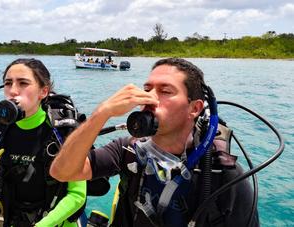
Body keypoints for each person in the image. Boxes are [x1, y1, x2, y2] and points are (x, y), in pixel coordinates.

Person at [50, 58, 259, 226]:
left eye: (165, 91)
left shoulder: (225, 177)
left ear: (194, 108)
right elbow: (62, 172)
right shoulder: (129, 149)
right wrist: (102, 113)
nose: (149, 98)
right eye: (147, 89)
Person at [0, 58, 86, 227]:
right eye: (8, 83)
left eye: (23, 83)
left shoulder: (63, 130)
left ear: (43, 92)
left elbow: (77, 194)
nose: (13, 91)